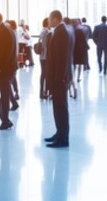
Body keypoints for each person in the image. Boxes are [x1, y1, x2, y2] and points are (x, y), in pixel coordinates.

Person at [43, 10, 74, 148]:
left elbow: (62, 59)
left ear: (56, 19)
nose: (48, 21)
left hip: (59, 79)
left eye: (50, 18)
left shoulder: (61, 32)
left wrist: (59, 78)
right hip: (57, 78)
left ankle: (63, 138)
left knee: (61, 108)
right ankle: (59, 133)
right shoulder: (59, 30)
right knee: (58, 107)